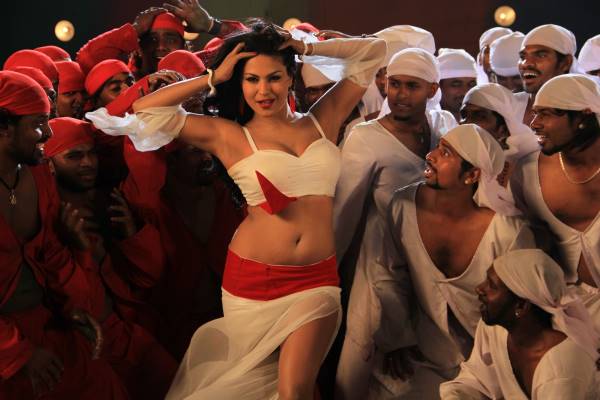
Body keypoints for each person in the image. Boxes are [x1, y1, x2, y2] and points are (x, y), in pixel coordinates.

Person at [86, 18, 386, 399]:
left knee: (293, 391)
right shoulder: (229, 135)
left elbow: (375, 52)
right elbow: (144, 109)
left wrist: (305, 46)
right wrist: (213, 76)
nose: (263, 90)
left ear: (291, 77)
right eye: (251, 80)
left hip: (317, 280)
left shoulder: (323, 120)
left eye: (274, 78)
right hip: (254, 283)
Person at [370, 124, 534, 399]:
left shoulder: (507, 232)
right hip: (422, 351)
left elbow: (525, 305)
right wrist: (396, 338)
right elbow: (390, 274)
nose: (431, 155)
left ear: (472, 175)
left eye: (446, 153)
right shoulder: (403, 204)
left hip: (491, 362)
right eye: (438, 146)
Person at [334, 47, 456, 400]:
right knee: (366, 368)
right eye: (394, 84)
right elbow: (343, 213)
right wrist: (331, 276)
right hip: (379, 263)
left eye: (412, 86)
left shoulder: (443, 128)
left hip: (433, 265)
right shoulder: (365, 136)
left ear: (433, 89)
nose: (400, 94)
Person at [0, 70, 128, 399]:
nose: (48, 132)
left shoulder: (39, 174)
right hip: (8, 347)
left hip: (48, 322)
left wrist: (72, 306)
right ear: (4, 128)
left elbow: (52, 253)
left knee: (106, 386)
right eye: (39, 123)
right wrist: (17, 354)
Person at [44, 117, 178, 399]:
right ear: (50, 164)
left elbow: (148, 276)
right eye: (74, 156)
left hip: (128, 333)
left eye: (91, 153)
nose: (87, 163)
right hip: (82, 345)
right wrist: (78, 249)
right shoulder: (45, 218)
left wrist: (132, 234)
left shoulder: (110, 203)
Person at [440, 249, 599, 399]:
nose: (479, 289)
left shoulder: (560, 370)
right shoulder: (496, 329)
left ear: (521, 306)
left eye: (492, 286)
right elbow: (477, 379)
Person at [510, 74, 600, 326]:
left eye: (546, 114)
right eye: (535, 113)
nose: (534, 124)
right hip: (566, 319)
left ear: (583, 117)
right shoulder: (526, 173)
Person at [460, 82, 539, 186]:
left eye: (479, 116)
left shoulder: (528, 165)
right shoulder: (458, 156)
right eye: (464, 115)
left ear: (503, 129)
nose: (466, 123)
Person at [518, 24, 577, 124]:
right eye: (523, 57)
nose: (526, 64)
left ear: (566, 63)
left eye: (541, 55)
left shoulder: (581, 111)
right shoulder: (504, 107)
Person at [437, 48, 478, 122]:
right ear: (438, 87)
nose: (465, 92)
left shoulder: (480, 124)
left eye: (471, 84)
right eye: (456, 84)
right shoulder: (429, 125)